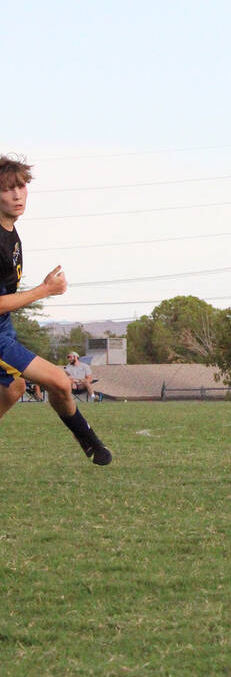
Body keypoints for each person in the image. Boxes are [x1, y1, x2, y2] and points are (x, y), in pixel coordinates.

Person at [0, 155, 111, 464]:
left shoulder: (11, 234)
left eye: (21, 187)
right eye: (8, 189)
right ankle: (91, 443)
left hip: (4, 328)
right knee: (60, 381)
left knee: (12, 389)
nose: (17, 195)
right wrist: (44, 291)